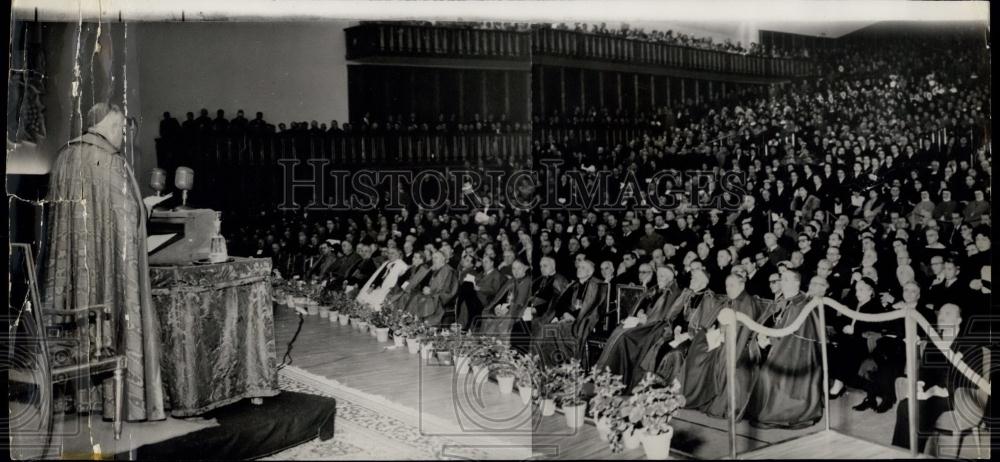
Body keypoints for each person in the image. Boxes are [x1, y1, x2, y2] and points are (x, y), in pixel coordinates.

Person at [41, 103, 166, 421]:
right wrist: (145, 211)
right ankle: (118, 400)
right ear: (108, 125)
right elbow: (127, 221)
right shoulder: (111, 162)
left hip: (70, 275)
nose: (122, 136)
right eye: (120, 128)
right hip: (108, 271)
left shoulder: (63, 157)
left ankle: (74, 399)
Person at [891, 303, 983, 452]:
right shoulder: (934, 340)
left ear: (958, 320)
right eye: (940, 313)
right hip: (932, 391)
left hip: (958, 395)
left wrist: (944, 391)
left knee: (920, 410)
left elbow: (974, 378)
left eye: (947, 313)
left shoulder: (971, 343)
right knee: (904, 406)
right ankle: (899, 453)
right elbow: (925, 369)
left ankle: (915, 454)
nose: (941, 316)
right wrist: (919, 383)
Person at [682, 272, 767, 420]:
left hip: (739, 347)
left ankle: (706, 398)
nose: (728, 289)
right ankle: (696, 396)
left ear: (742, 285)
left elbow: (742, 334)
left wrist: (725, 346)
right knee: (697, 351)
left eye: (732, 285)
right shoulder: (729, 300)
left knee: (712, 357)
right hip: (722, 341)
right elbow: (712, 321)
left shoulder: (747, 303)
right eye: (727, 285)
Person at [747, 271, 824, 429]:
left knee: (769, 374)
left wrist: (769, 340)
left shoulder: (802, 303)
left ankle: (781, 411)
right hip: (782, 344)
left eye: (787, 279)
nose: (782, 282)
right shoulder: (786, 300)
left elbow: (794, 332)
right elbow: (778, 323)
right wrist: (764, 335)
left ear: (797, 283)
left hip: (796, 352)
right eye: (782, 279)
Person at [529, 259, 603, 367]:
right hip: (567, 319)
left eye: (583, 268)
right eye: (578, 267)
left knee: (549, 330)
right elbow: (560, 304)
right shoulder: (574, 285)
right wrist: (564, 314)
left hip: (584, 322)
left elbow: (591, 308)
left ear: (590, 272)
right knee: (547, 329)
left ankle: (565, 365)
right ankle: (549, 366)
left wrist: (572, 316)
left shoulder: (595, 285)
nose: (579, 269)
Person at [405, 251, 459, 326]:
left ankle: (422, 325)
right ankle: (412, 323)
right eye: (433, 258)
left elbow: (447, 289)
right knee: (415, 296)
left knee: (422, 299)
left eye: (436, 258)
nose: (433, 260)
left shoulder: (448, 270)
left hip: (441, 297)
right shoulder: (437, 270)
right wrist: (426, 289)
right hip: (433, 294)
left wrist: (431, 292)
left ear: (443, 259)